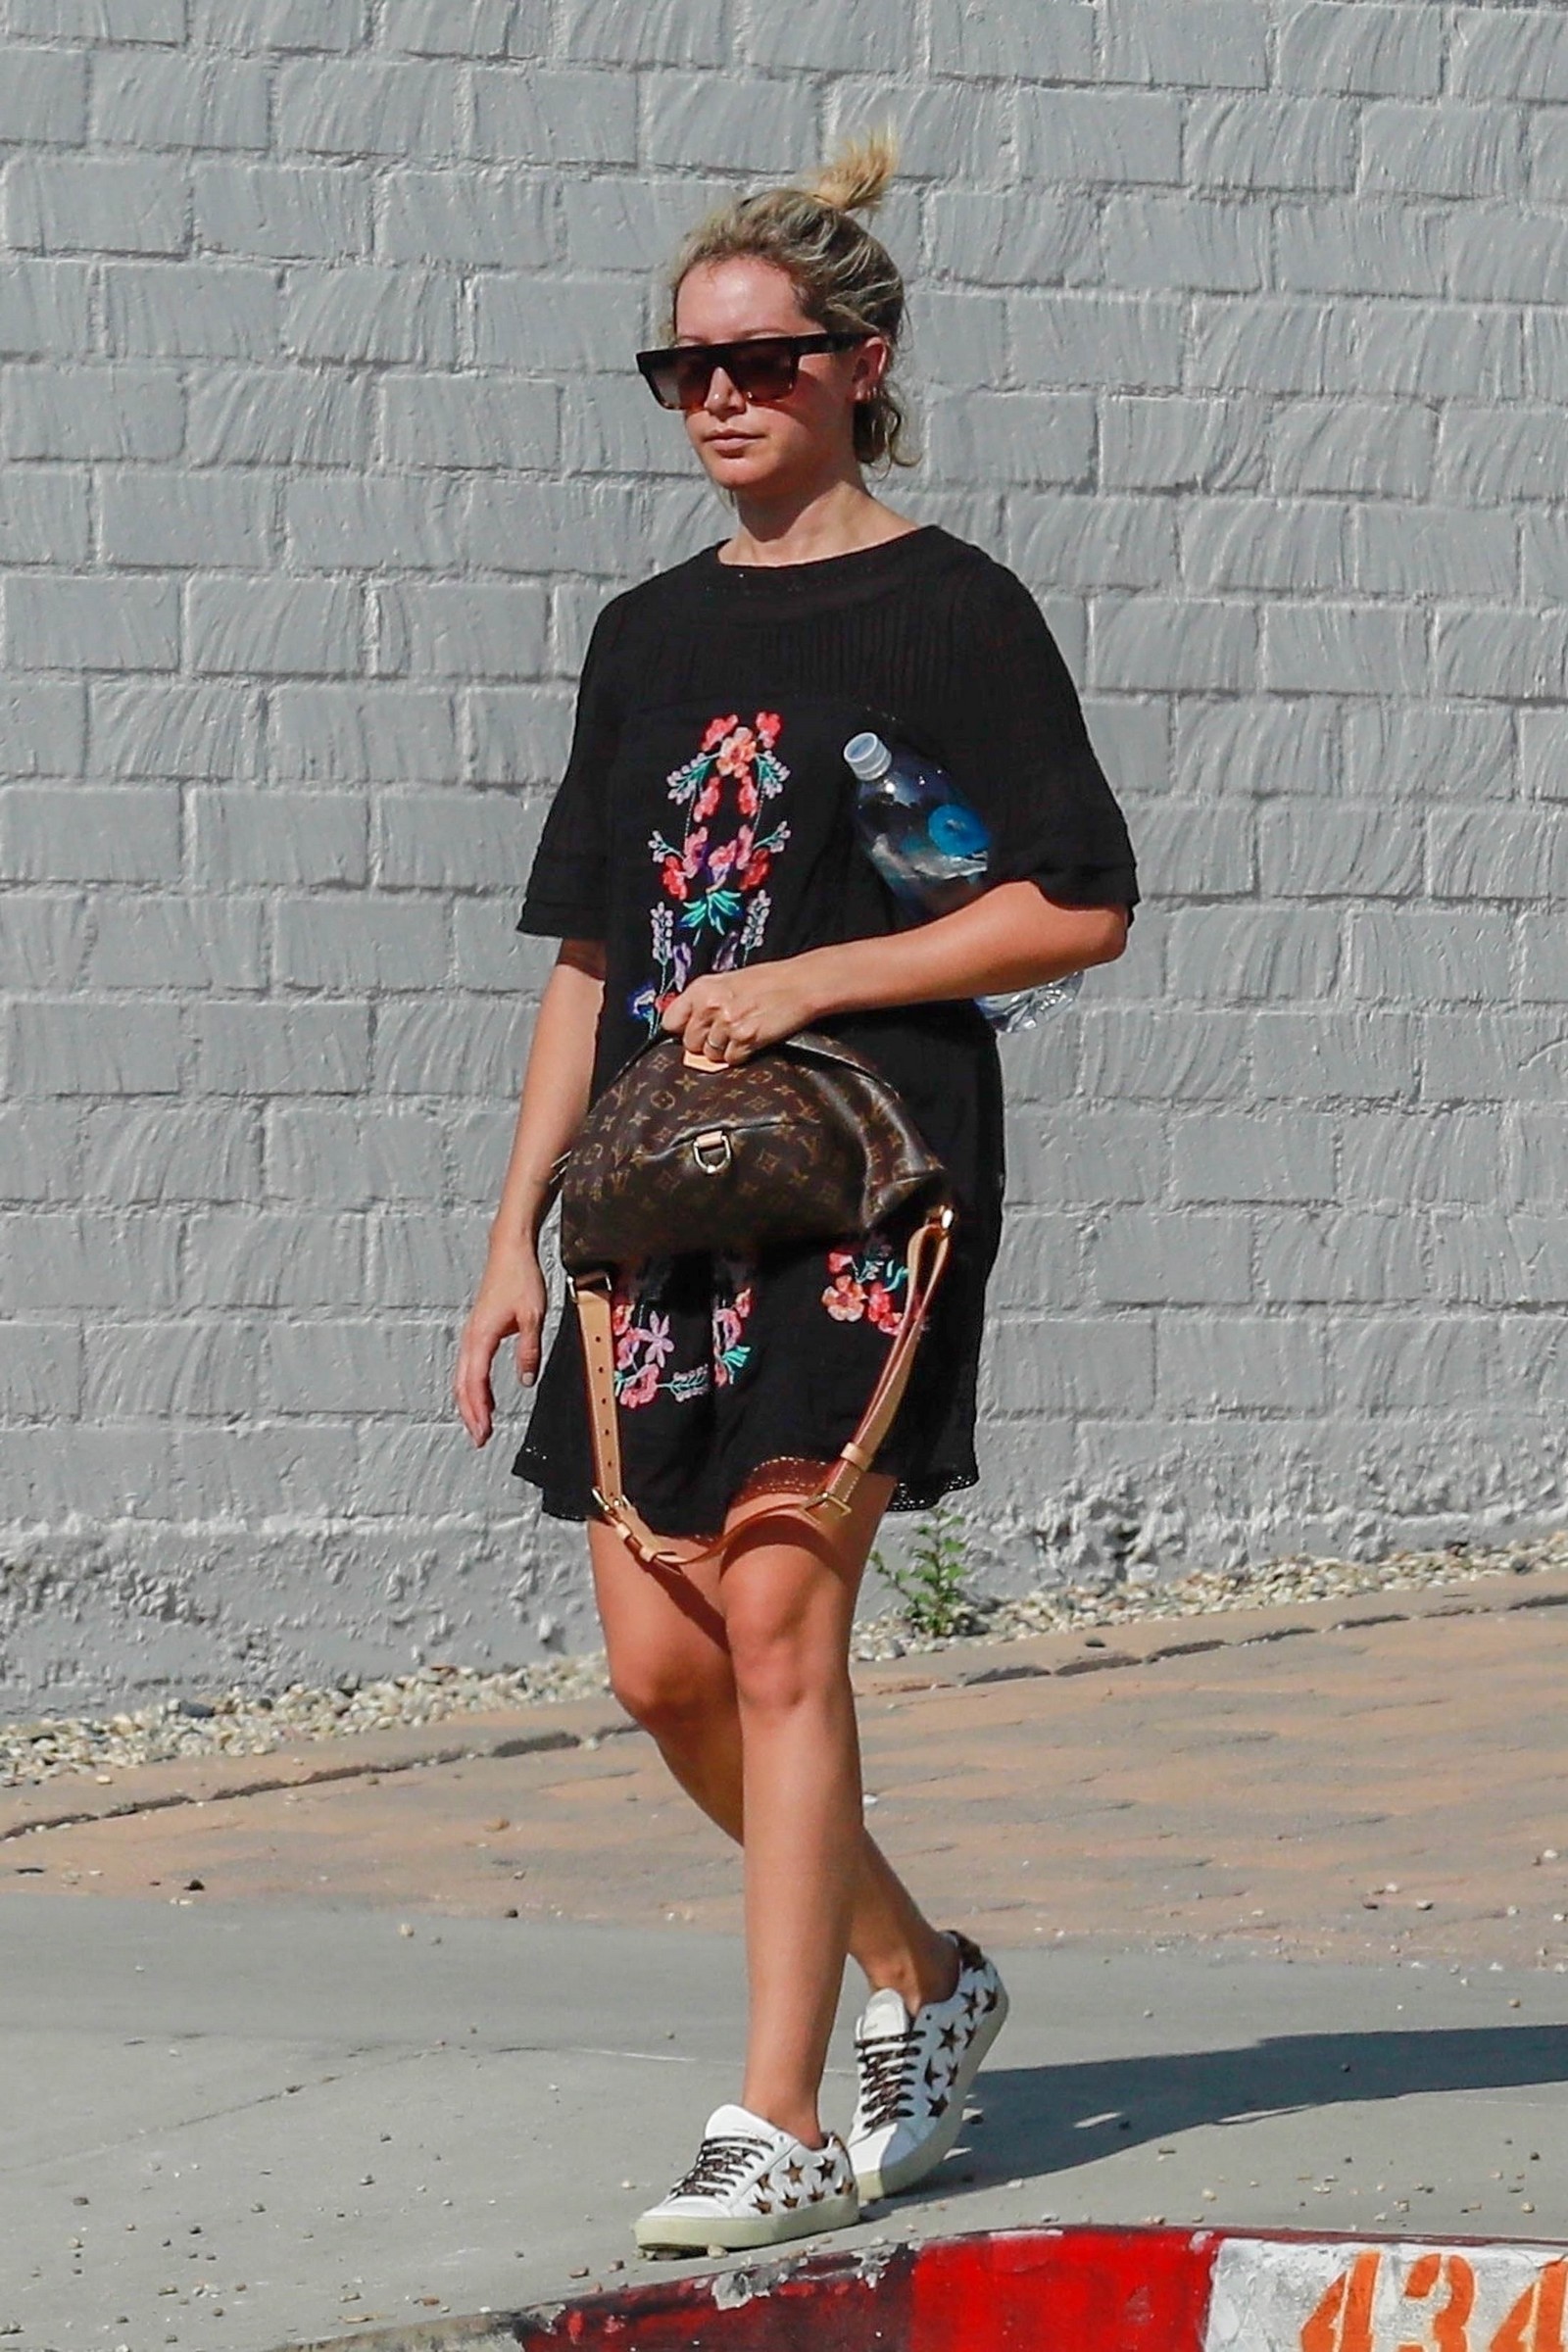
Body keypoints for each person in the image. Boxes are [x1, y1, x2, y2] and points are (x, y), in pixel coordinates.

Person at [454, 123, 1139, 2257]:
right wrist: (508, 1234)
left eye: (759, 360)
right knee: (664, 1670)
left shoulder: (954, 608)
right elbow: (590, 959)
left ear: (861, 364)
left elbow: (1076, 904)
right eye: (688, 367)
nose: (721, 397)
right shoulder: (644, 636)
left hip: (865, 1177)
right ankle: (923, 1975)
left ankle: (771, 2117)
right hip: (650, 1204)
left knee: (774, 1615)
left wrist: (817, 975)